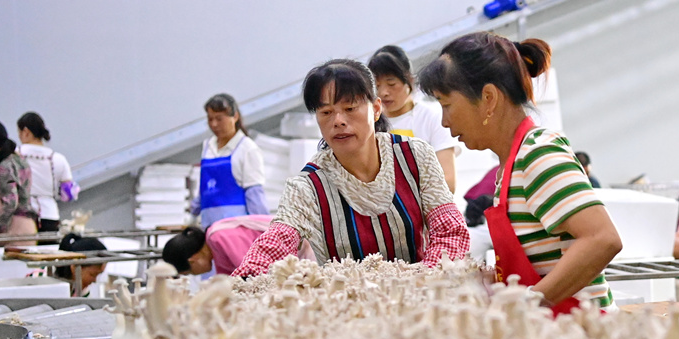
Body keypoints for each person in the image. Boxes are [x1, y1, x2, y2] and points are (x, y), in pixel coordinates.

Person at [419, 32, 623, 314]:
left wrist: (528, 302)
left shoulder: (538, 154)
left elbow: (602, 239)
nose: (444, 121)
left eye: (446, 105)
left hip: (584, 338)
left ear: (488, 98)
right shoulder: (509, 169)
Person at [233, 59, 469, 277]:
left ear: (376, 109)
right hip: (348, 309)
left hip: (418, 302)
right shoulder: (307, 187)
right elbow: (274, 245)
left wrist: (425, 282)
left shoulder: (415, 157)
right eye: (326, 112)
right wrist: (241, 285)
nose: (338, 121)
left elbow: (449, 230)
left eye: (350, 108)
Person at [368, 45, 459, 193]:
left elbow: (448, 182)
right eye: (377, 86)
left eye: (391, 84)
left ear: (409, 81)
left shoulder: (432, 116)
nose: (384, 92)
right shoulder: (369, 122)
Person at [190, 93, 268, 229]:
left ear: (235, 117)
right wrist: (191, 216)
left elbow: (254, 194)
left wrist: (263, 229)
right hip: (208, 226)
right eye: (210, 119)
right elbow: (205, 190)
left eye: (219, 119)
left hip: (235, 229)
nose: (214, 124)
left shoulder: (247, 148)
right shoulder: (207, 146)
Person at [163, 214, 313, 276]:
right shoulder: (215, 247)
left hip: (303, 244)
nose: (195, 274)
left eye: (189, 272)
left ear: (193, 259)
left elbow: (252, 272)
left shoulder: (217, 237)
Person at [17, 112, 79, 233]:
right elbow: (68, 194)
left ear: (26, 132)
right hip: (50, 216)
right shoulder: (58, 159)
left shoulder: (15, 154)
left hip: (22, 217)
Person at [0, 119, 38, 245]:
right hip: (27, 226)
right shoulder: (17, 159)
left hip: (16, 230)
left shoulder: (5, 166)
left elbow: (10, 203)